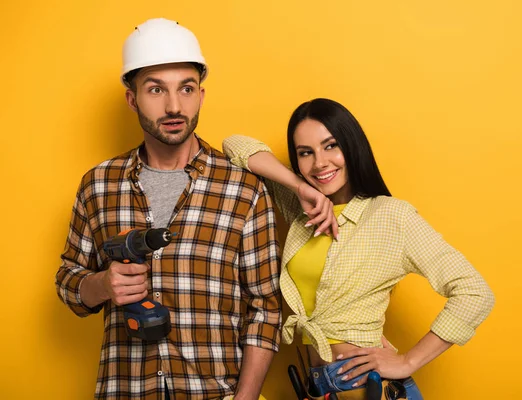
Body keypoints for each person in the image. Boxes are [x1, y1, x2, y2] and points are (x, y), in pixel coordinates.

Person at [55, 18, 281, 400]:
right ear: (132, 98)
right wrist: (101, 284)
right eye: (156, 89)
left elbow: (265, 310)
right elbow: (68, 281)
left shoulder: (243, 189)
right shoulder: (98, 184)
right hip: (124, 389)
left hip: (214, 393)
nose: (174, 106)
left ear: (201, 95)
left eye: (186, 89)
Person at [223, 98, 495, 399]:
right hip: (317, 385)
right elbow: (235, 146)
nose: (320, 163)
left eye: (331, 146)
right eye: (305, 153)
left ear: (352, 146)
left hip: (363, 387)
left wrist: (408, 361)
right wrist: (297, 185)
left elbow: (475, 292)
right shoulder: (302, 209)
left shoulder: (391, 216)